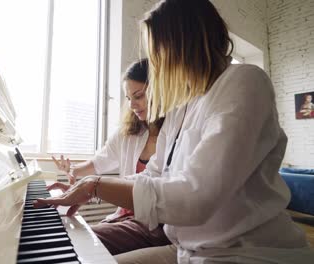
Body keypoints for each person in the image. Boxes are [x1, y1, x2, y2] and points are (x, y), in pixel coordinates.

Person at [36, 0, 314, 263]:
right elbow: (154, 175)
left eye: (157, 53)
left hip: (247, 253)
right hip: (187, 250)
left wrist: (94, 185)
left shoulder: (245, 82)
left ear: (185, 44)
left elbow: (196, 196)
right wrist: (89, 186)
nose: (155, 65)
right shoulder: (184, 105)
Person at [51, 59, 170, 255]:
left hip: (153, 224)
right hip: (125, 217)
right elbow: (99, 162)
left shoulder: (174, 133)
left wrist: (93, 188)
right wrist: (73, 170)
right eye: (128, 97)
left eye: (138, 96)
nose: (132, 104)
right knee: (73, 236)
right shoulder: (129, 133)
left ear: (159, 91)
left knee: (76, 243)